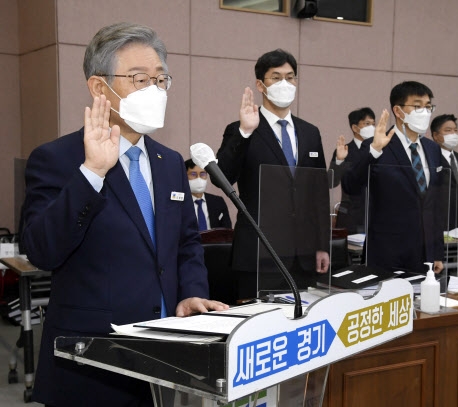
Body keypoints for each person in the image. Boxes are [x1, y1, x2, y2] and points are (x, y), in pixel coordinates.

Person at [20, 23, 228, 407]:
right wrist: (92, 173)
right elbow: (41, 251)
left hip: (167, 357)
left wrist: (193, 293)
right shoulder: (57, 159)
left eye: (161, 79)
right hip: (91, 363)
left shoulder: (168, 162)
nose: (155, 90)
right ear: (100, 88)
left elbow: (185, 244)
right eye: (140, 79)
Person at [216, 49, 329, 299]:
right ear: (260, 84)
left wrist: (322, 245)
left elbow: (319, 193)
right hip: (259, 253)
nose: (284, 84)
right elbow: (222, 176)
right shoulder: (241, 129)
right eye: (276, 77)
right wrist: (245, 132)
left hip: (304, 257)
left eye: (290, 77)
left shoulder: (310, 132)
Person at [342, 81, 445, 274]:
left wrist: (437, 251)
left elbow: (435, 204)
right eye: (417, 106)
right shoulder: (377, 145)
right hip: (387, 251)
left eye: (428, 106)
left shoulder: (432, 149)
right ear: (398, 111)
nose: (424, 112)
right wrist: (374, 150)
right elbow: (351, 185)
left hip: (424, 252)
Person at [329, 107, 376, 234]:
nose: (372, 127)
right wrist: (338, 161)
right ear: (355, 128)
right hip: (350, 215)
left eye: (373, 124)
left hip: (375, 213)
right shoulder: (344, 150)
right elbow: (331, 182)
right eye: (367, 124)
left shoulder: (380, 151)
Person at [430, 114, 458, 229]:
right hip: (438, 216)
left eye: (455, 130)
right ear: (436, 135)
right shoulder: (431, 158)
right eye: (448, 130)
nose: (453, 134)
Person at [185, 159, 231, 230]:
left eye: (202, 174)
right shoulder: (180, 203)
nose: (199, 179)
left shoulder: (218, 202)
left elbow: (227, 230)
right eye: (193, 174)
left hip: (214, 240)